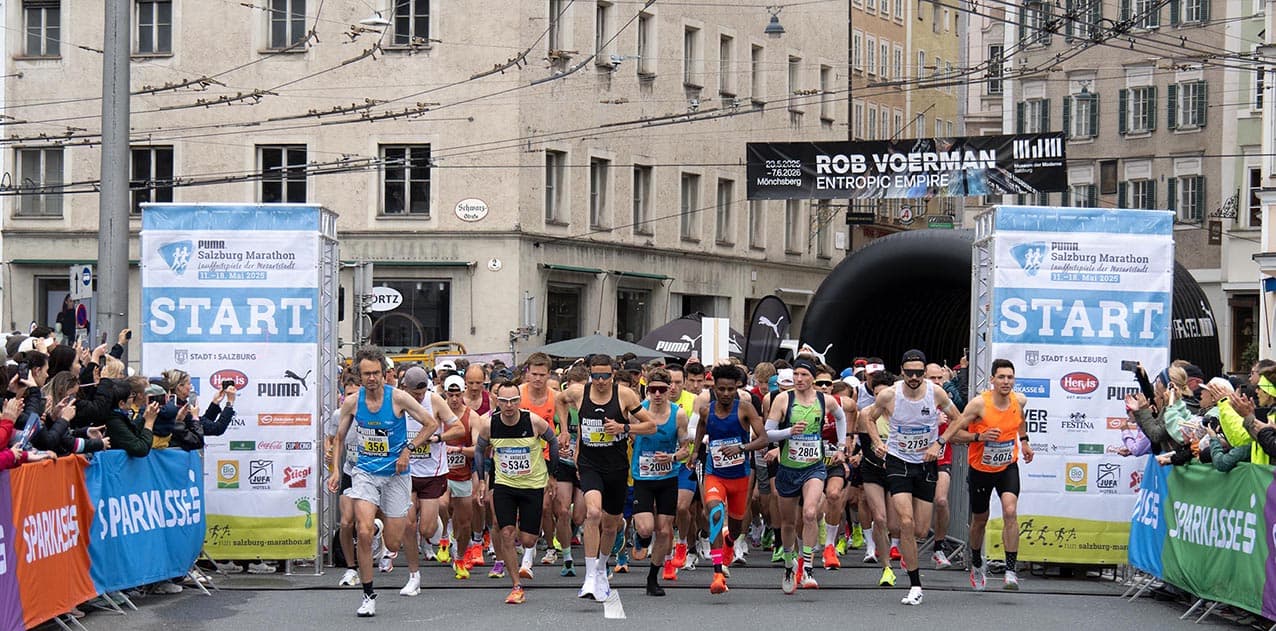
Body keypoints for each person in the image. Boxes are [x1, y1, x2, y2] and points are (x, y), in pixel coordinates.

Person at [327, 348, 440, 618]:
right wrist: (334, 471)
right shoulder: (353, 403)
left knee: (392, 542)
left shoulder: (398, 398)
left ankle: (383, 527)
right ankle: (368, 595)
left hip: (396, 475)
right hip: (364, 471)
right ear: (360, 375)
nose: (372, 378)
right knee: (362, 532)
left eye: (376, 373)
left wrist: (407, 450)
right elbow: (339, 437)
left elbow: (430, 424)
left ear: (384, 373)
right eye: (366, 374)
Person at [556, 353, 658, 602]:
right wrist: (563, 427)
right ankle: (590, 576)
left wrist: (624, 427)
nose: (601, 381)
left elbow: (651, 426)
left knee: (611, 524)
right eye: (596, 376)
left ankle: (601, 568)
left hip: (616, 467)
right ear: (590, 374)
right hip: (589, 464)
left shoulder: (625, 395)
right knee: (592, 513)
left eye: (606, 376)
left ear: (613, 374)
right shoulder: (580, 392)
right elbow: (560, 399)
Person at [866, 350, 962, 606]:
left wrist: (939, 442)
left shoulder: (936, 393)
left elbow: (958, 419)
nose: (915, 377)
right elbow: (868, 417)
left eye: (919, 373)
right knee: (906, 523)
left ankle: (909, 551)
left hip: (926, 464)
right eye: (910, 373)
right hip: (898, 462)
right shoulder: (890, 394)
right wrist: (877, 442)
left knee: (919, 529)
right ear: (902, 371)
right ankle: (915, 584)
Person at [936, 358, 1033, 591]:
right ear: (992, 380)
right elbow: (956, 432)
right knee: (980, 519)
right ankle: (978, 562)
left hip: (1007, 465)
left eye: (1010, 377)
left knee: (1010, 511)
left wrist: (1025, 442)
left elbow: (1020, 420)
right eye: (1001, 377)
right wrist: (979, 437)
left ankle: (1011, 570)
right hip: (981, 468)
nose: (1006, 381)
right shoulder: (979, 405)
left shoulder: (1019, 400)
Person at [764, 357, 847, 593]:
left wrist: (841, 446)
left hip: (814, 466)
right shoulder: (783, 399)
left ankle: (808, 566)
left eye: (804, 375)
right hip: (788, 468)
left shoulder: (825, 400)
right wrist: (790, 431)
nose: (799, 380)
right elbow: (768, 433)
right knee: (789, 522)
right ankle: (790, 564)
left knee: (810, 513)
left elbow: (841, 418)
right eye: (796, 375)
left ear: (813, 377)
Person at [473, 381, 559, 604]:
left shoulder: (532, 421)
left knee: (528, 540)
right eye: (504, 401)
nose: (508, 405)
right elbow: (480, 450)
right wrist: (482, 481)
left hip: (532, 486)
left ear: (519, 401)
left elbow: (553, 441)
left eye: (513, 401)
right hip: (505, 485)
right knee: (507, 533)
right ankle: (516, 586)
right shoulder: (489, 425)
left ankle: (528, 534)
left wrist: (552, 476)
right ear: (497, 401)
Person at [696, 363, 769, 594]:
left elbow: (764, 439)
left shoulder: (745, 409)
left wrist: (741, 447)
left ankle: (729, 542)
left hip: (740, 477)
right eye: (721, 389)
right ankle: (717, 572)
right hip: (714, 474)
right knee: (715, 512)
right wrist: (694, 452)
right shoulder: (707, 410)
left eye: (730, 389)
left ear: (737, 387)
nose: (726, 394)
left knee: (736, 527)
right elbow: (700, 426)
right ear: (714, 388)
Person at [399, 368, 464, 596]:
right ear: (404, 387)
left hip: (432, 473)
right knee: (408, 524)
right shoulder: (398, 400)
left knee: (426, 529)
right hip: (406, 472)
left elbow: (459, 428)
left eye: (422, 392)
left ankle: (439, 527)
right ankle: (413, 575)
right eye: (414, 394)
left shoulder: (435, 400)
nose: (418, 398)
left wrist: (437, 437)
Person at [629, 368, 688, 596]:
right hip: (643, 477)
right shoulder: (639, 411)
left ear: (669, 390)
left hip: (668, 477)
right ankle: (640, 536)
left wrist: (672, 457)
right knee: (646, 528)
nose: (657, 394)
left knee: (664, 531)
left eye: (662, 390)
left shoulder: (678, 414)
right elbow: (630, 432)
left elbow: (685, 448)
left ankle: (652, 578)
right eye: (652, 389)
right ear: (647, 390)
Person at [924, 363, 955, 569]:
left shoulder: (946, 400)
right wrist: (933, 422)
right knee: (919, 521)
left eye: (940, 379)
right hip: (917, 460)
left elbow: (961, 421)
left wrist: (944, 436)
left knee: (941, 500)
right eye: (932, 378)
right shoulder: (914, 399)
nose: (937, 382)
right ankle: (899, 545)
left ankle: (938, 547)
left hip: (942, 457)